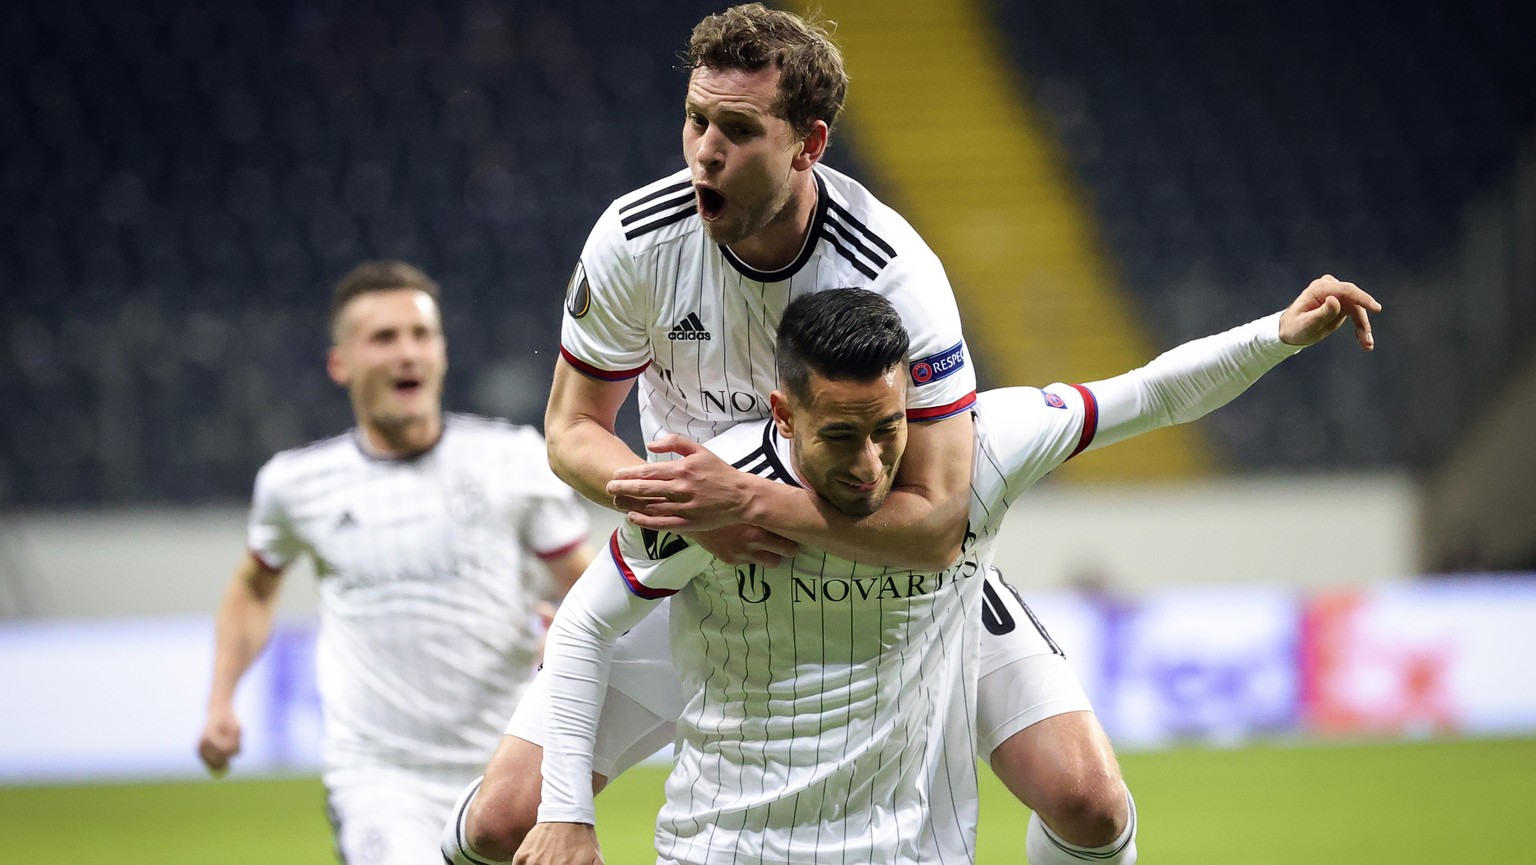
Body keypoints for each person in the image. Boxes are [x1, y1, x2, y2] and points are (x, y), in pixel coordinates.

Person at [448, 4, 1378, 863]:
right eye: (696, 120)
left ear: (810, 143)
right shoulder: (636, 241)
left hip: (888, 562)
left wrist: (749, 500)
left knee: (1089, 801)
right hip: (707, 556)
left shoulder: (897, 273)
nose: (704, 154)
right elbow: (572, 431)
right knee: (503, 821)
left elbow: (936, 520)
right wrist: (677, 511)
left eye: (738, 131)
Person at [512, 279, 1379, 864]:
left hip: (910, 843)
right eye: (840, 435)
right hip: (731, 841)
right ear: (784, 411)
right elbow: (585, 622)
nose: (870, 463)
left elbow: (1148, 392)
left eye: (888, 427)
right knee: (498, 814)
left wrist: (1280, 334)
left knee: (1091, 801)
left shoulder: (981, 446)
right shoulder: (714, 490)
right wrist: (566, 810)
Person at [196, 260, 594, 865]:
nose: (407, 352)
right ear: (341, 364)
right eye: (383, 338)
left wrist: (564, 639)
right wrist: (221, 699)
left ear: (441, 352)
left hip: (507, 771)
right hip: (380, 781)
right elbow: (253, 588)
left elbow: (584, 587)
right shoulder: (296, 485)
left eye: (420, 334)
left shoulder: (512, 460)